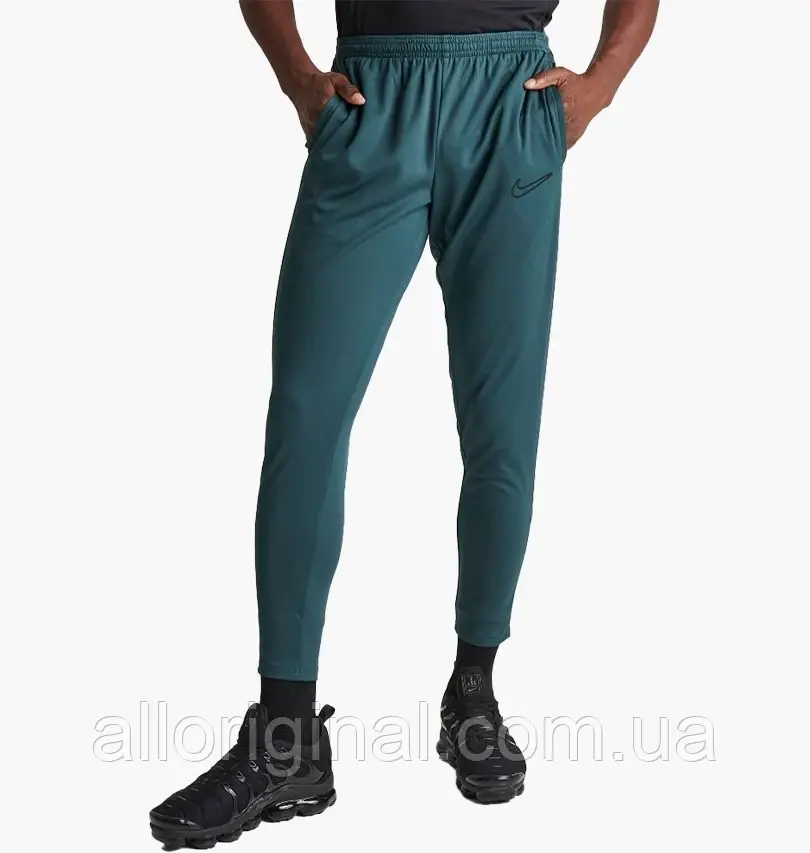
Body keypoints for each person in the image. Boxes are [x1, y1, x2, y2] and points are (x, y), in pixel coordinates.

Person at [149, 0, 658, 846]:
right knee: (306, 416)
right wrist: (297, 77)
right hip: (370, 101)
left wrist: (600, 85)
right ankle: (286, 736)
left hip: (509, 103)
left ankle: (474, 688)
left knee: (501, 423)